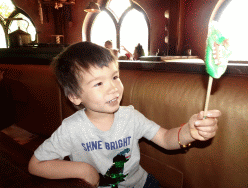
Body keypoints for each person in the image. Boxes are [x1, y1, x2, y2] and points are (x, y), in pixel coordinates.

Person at [28, 41, 220, 188]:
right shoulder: (71, 129)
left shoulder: (130, 116)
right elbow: (35, 164)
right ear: (75, 96)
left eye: (114, 77)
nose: (113, 88)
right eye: (98, 83)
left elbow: (165, 138)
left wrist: (189, 131)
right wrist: (83, 169)